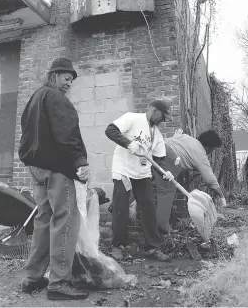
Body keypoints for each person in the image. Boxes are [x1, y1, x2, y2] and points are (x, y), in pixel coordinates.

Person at [18, 57, 90, 301]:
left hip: (37, 166)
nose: (69, 83)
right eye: (66, 77)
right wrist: (81, 163)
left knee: (44, 218)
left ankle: (33, 277)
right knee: (66, 219)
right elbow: (68, 134)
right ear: (55, 75)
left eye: (71, 80)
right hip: (57, 167)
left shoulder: (35, 97)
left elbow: (25, 128)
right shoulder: (58, 99)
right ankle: (59, 281)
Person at [105, 100, 174, 262]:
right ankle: (117, 246)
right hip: (124, 171)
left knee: (148, 208)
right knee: (120, 208)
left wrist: (166, 172)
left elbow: (159, 160)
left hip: (142, 173)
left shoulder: (157, 135)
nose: (163, 121)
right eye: (163, 117)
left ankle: (152, 247)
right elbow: (110, 130)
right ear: (154, 111)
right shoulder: (132, 118)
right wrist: (128, 143)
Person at [154, 128, 227, 235]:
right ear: (208, 147)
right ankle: (163, 230)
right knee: (166, 193)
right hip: (169, 158)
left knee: (140, 184)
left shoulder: (187, 137)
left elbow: (173, 140)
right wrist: (221, 196)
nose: (211, 152)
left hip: (156, 150)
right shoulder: (200, 153)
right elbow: (210, 180)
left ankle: (123, 212)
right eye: (213, 149)